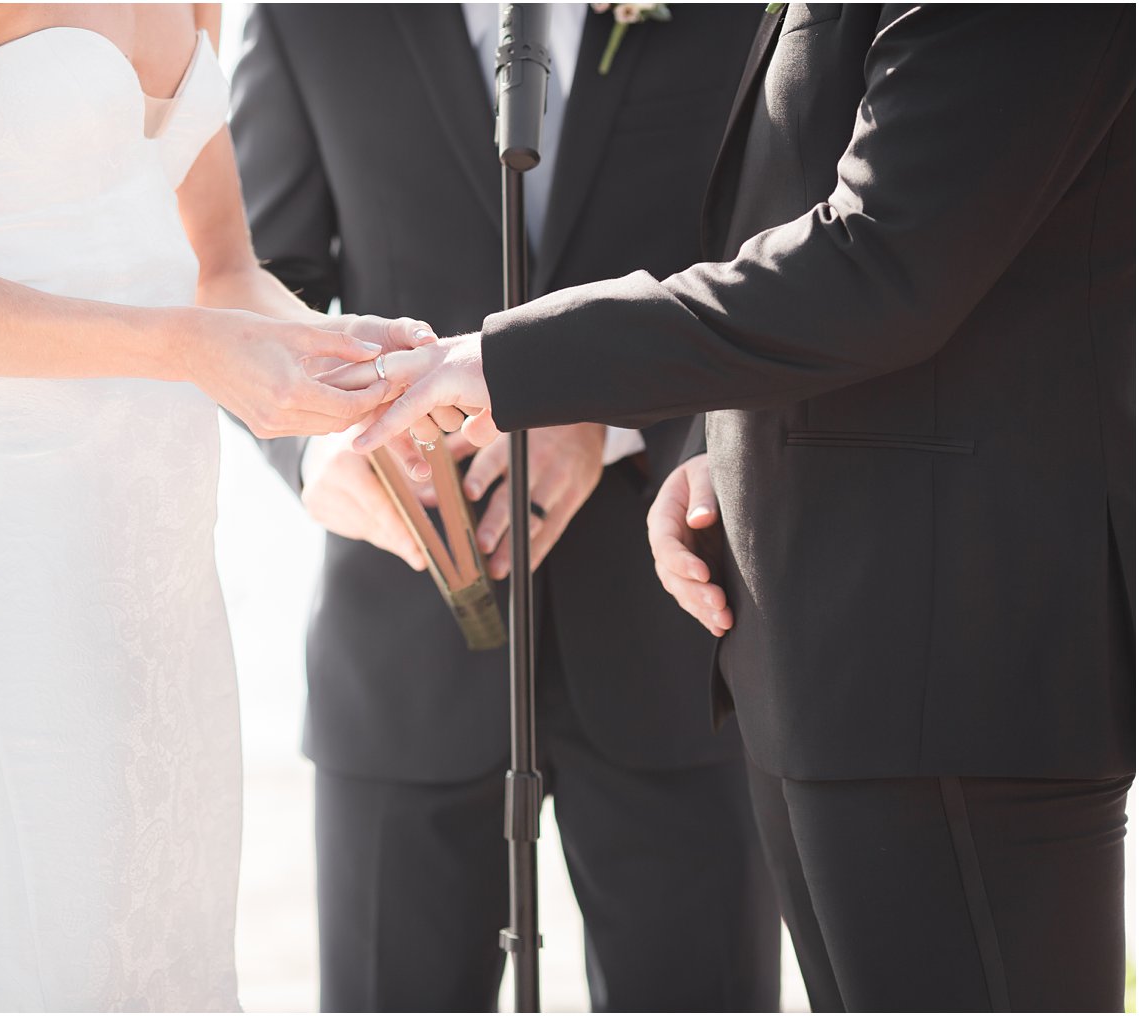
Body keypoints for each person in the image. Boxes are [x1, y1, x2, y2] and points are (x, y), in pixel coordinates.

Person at [346, 5, 1136, 1010]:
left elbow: (879, 261)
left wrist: (500, 360)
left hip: (957, 656)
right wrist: (722, 449)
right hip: (825, 657)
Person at [0, 4, 426, 1009]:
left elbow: (222, 272)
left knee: (167, 969)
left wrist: (372, 365)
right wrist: (181, 345)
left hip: (162, 565)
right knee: (40, 969)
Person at [230, 4, 778, 1011]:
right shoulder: (303, 15)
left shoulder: (741, 14)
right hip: (402, 651)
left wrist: (609, 423)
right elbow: (257, 280)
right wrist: (315, 449)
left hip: (680, 645)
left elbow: (778, 271)